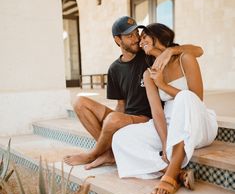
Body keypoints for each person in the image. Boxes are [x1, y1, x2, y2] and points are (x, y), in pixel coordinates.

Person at [64, 16, 203, 169]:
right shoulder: (114, 69)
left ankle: (94, 154)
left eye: (137, 33)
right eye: (130, 36)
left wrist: (170, 51)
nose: (137, 39)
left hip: (146, 117)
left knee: (112, 120)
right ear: (118, 40)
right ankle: (110, 152)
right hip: (127, 115)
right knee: (80, 102)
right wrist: (116, 122)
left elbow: (197, 50)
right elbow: (121, 104)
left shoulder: (147, 54)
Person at [112, 23, 218, 194]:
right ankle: (174, 173)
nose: (140, 41)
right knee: (121, 138)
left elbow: (196, 99)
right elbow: (157, 112)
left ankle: (170, 174)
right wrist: (164, 143)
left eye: (145, 36)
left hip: (197, 123)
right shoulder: (148, 73)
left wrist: (162, 83)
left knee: (184, 97)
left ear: (159, 36)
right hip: (169, 125)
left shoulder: (184, 59)